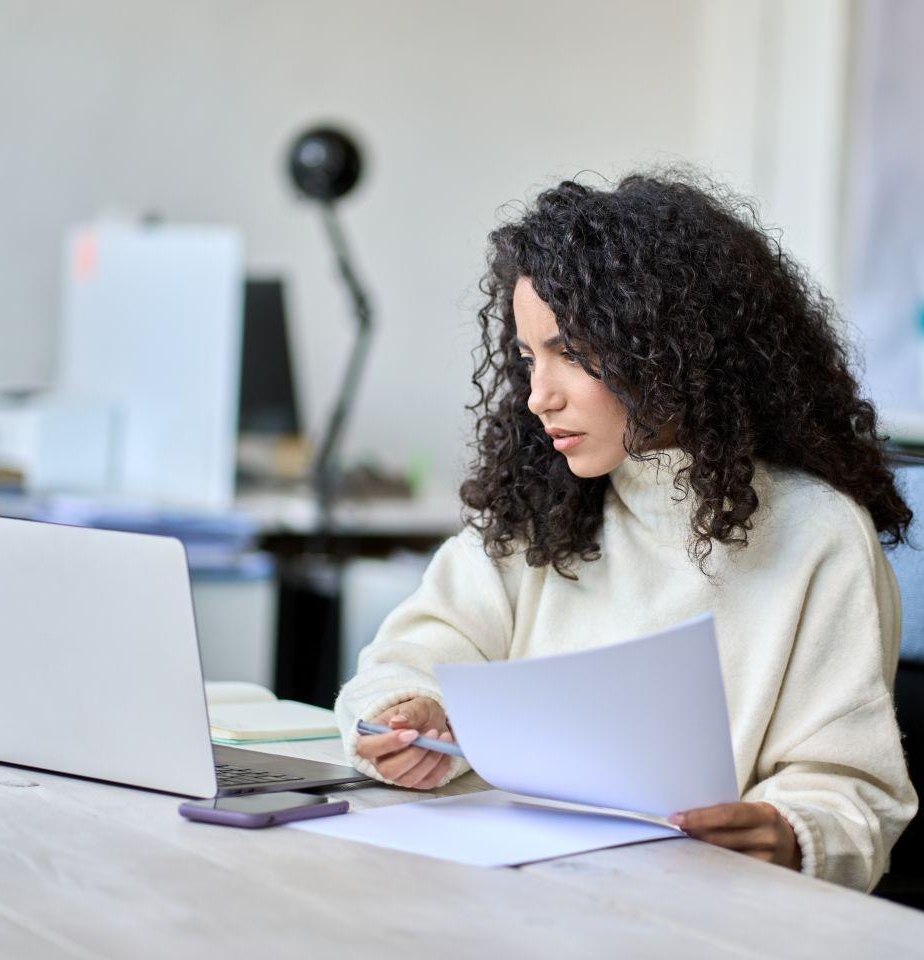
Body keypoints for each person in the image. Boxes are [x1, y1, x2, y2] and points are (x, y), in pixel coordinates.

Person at [334, 172, 918, 892]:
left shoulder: (818, 534)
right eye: (526, 358)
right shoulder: (543, 506)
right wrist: (405, 715)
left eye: (572, 352)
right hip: (516, 896)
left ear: (674, 349)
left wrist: (794, 834)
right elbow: (409, 657)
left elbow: (850, 792)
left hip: (700, 916)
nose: (538, 395)